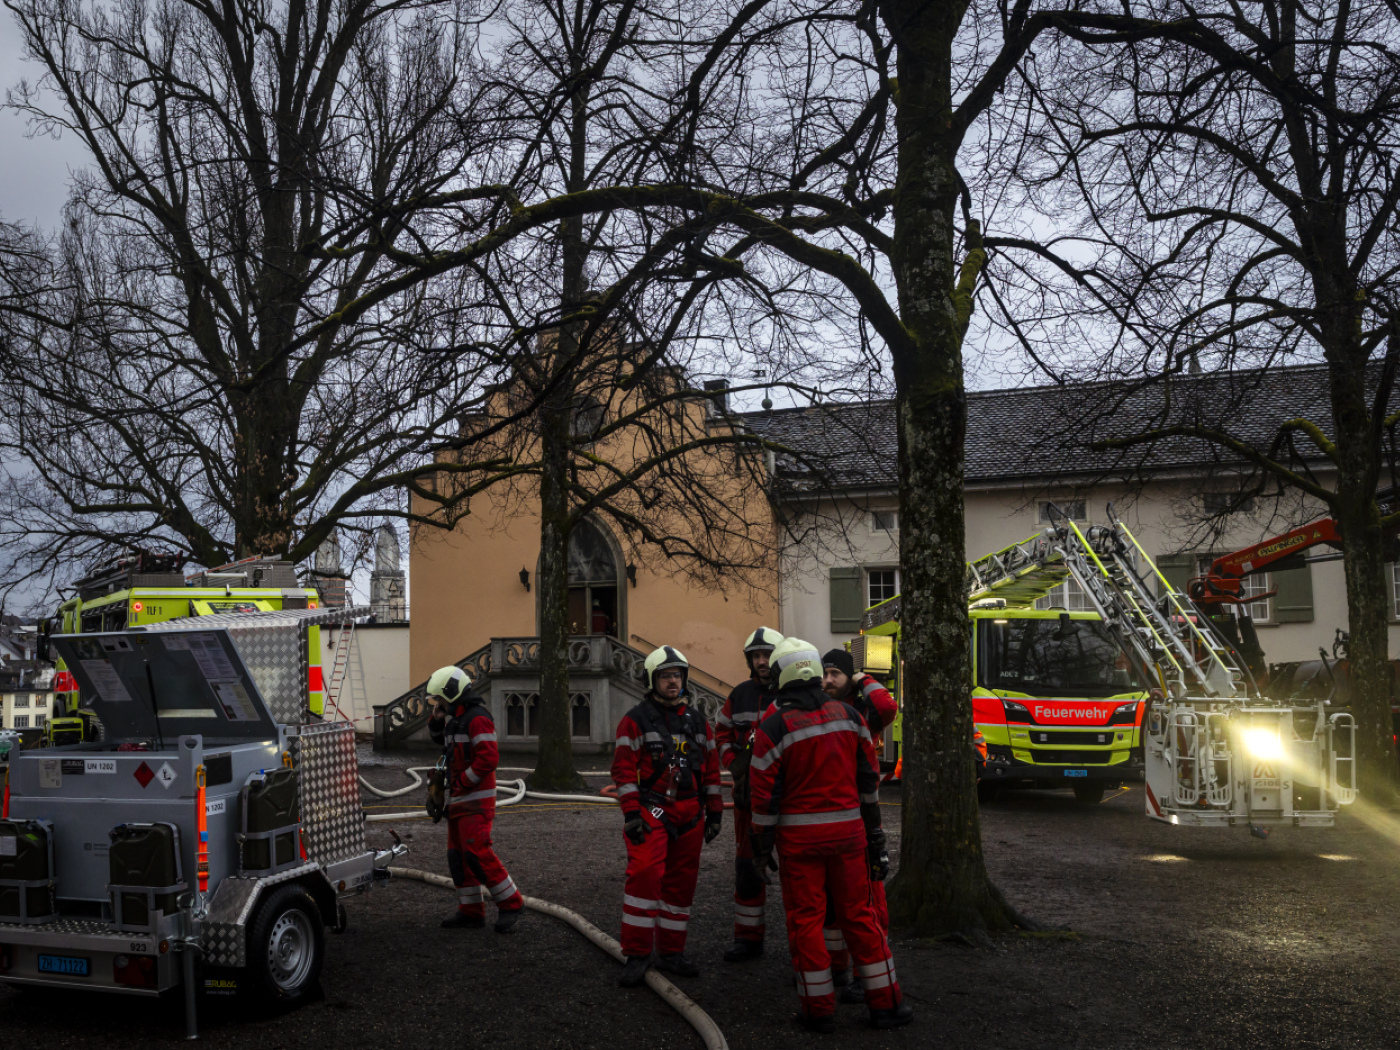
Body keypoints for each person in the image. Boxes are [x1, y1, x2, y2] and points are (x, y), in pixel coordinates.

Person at [748, 637, 912, 1032]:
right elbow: (869, 782)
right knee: (860, 916)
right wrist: (874, 833)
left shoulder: (773, 726)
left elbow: (763, 798)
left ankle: (818, 1010)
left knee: (806, 921)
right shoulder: (851, 717)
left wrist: (759, 849)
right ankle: (886, 1004)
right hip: (850, 837)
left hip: (800, 845)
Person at [611, 646, 723, 987]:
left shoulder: (700, 721)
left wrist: (715, 812)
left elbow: (713, 771)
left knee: (681, 885)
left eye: (677, 675)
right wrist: (632, 814)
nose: (672, 681)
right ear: (652, 680)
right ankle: (637, 953)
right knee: (644, 877)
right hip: (652, 811)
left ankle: (672, 952)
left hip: (691, 813)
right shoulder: (634, 720)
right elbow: (624, 771)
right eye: (665, 676)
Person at [819, 647, 897, 1001]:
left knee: (869, 899)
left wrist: (862, 677)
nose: (828, 679)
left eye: (836, 673)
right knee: (832, 902)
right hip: (835, 811)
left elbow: (888, 707)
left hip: (862, 813)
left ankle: (865, 973)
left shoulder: (865, 707)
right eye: (825, 673)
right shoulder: (819, 707)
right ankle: (839, 972)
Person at [425, 666, 524, 933]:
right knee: (458, 857)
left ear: (452, 693)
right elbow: (441, 741)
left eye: (439, 699)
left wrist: (462, 782)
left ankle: (511, 903)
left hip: (476, 801)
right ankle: (471, 911)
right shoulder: (456, 718)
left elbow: (488, 758)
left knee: (477, 853)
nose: (438, 703)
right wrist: (436, 719)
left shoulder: (477, 718)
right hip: (460, 800)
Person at [715, 626, 783, 962]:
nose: (761, 661)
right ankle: (748, 938)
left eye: (767, 654)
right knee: (747, 867)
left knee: (799, 871)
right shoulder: (738, 695)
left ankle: (806, 944)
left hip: (787, 800)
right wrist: (733, 764)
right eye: (756, 656)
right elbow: (722, 734)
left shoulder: (791, 695)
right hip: (747, 801)